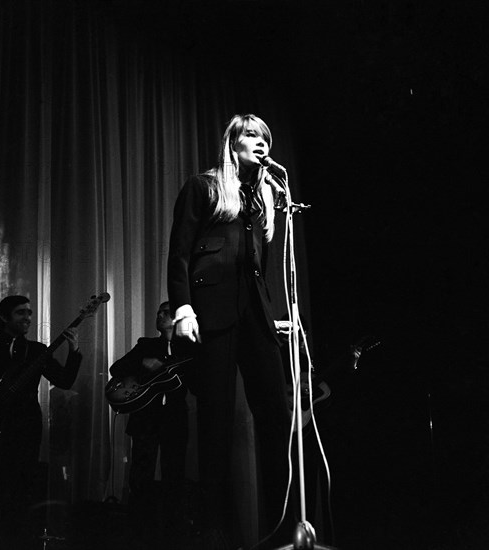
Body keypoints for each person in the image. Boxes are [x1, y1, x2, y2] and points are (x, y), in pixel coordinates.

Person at [167, 114, 293, 548]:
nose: (260, 144)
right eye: (251, 136)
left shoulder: (264, 199)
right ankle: (214, 530)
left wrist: (270, 311)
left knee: (276, 413)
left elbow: (258, 265)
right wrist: (184, 308)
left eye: (265, 138)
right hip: (210, 309)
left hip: (255, 314)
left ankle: (284, 525)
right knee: (215, 420)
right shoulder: (203, 187)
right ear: (233, 143)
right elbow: (179, 253)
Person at [0, 295, 82, 531]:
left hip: (25, 426)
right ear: (4, 317)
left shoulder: (37, 350)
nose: (28, 318)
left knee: (22, 481)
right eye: (21, 312)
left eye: (30, 313)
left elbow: (64, 381)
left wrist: (74, 352)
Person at [108, 301, 196, 535]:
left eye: (166, 312)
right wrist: (143, 363)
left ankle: (170, 529)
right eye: (158, 311)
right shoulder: (145, 345)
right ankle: (138, 528)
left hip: (174, 418)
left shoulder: (189, 350)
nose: (160, 315)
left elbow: (197, 387)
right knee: (140, 475)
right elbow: (116, 368)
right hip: (146, 417)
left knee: (174, 474)